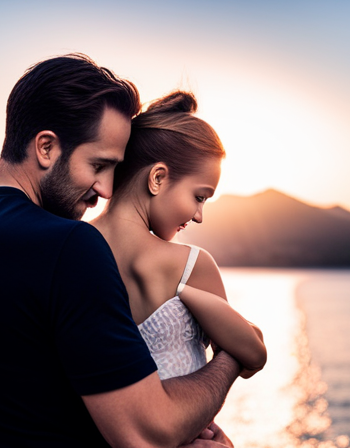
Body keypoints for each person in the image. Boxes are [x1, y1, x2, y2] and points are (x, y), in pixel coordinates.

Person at [0, 54, 241, 447]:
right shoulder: (68, 246)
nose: (106, 190)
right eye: (98, 165)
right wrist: (230, 359)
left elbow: (6, 407)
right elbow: (146, 435)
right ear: (46, 147)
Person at [91, 91, 267, 428]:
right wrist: (188, 294)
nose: (199, 216)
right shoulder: (190, 265)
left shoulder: (70, 249)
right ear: (158, 178)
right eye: (199, 197)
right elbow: (252, 359)